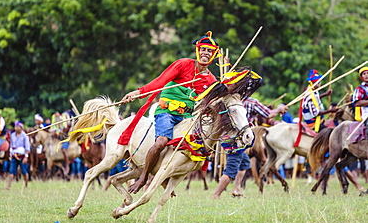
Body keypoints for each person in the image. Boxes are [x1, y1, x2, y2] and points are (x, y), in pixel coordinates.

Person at [122, 31, 219, 194]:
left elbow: (210, 104)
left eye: (210, 51)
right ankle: (143, 177)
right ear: (198, 50)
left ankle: (165, 176)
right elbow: (160, 82)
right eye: (203, 49)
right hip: (166, 112)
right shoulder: (182, 64)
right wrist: (137, 93)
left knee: (194, 147)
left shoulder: (211, 81)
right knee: (161, 142)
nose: (206, 53)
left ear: (214, 55)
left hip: (187, 118)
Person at [211, 97, 288, 199]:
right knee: (231, 170)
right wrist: (279, 109)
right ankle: (216, 195)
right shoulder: (251, 102)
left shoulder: (229, 100)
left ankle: (236, 189)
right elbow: (269, 114)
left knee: (244, 163)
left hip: (227, 138)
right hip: (237, 140)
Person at [4, 121, 31, 190]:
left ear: (21, 128)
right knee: (11, 171)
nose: (16, 128)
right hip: (14, 154)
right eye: (15, 127)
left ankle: (26, 185)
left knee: (24, 172)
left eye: (17, 127)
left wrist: (26, 156)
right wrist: (11, 154)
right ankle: (8, 186)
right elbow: (11, 145)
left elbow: (27, 147)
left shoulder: (25, 136)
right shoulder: (12, 135)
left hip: (22, 155)